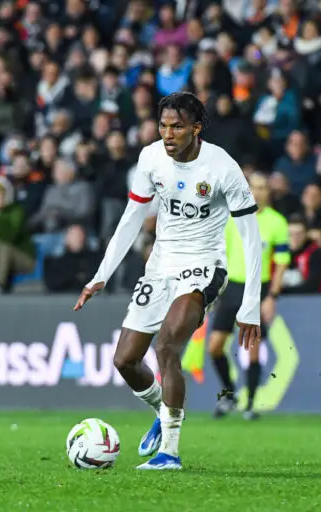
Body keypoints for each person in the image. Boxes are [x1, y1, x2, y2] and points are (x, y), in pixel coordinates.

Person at [73, 92, 263, 470]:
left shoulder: (222, 167)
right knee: (125, 360)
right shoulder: (151, 158)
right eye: (163, 126)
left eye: (177, 126)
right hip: (160, 267)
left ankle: (169, 453)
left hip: (204, 267)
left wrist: (251, 304)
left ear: (196, 128)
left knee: (167, 346)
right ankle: (165, 411)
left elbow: (250, 237)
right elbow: (131, 218)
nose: (168, 134)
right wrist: (101, 275)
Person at [208, 173, 290, 421]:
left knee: (253, 350)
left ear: (268, 192)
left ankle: (251, 404)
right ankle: (230, 395)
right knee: (214, 347)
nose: (258, 192)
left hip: (258, 288)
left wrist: (272, 296)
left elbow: (282, 262)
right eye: (254, 187)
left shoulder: (277, 222)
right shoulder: (231, 217)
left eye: (263, 187)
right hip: (231, 287)